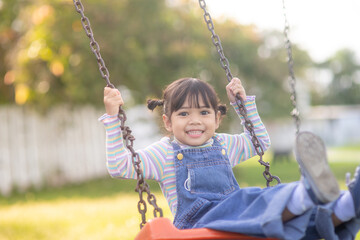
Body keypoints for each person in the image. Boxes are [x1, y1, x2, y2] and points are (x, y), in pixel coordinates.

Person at [99, 77, 360, 239]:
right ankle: (306, 193)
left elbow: (259, 143)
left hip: (239, 216)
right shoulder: (164, 153)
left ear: (217, 118)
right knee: (252, 200)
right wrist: (112, 118)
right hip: (198, 225)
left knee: (288, 227)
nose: (195, 121)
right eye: (183, 114)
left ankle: (346, 205)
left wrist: (244, 105)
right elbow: (119, 165)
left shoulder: (223, 143)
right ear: (167, 122)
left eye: (203, 112)